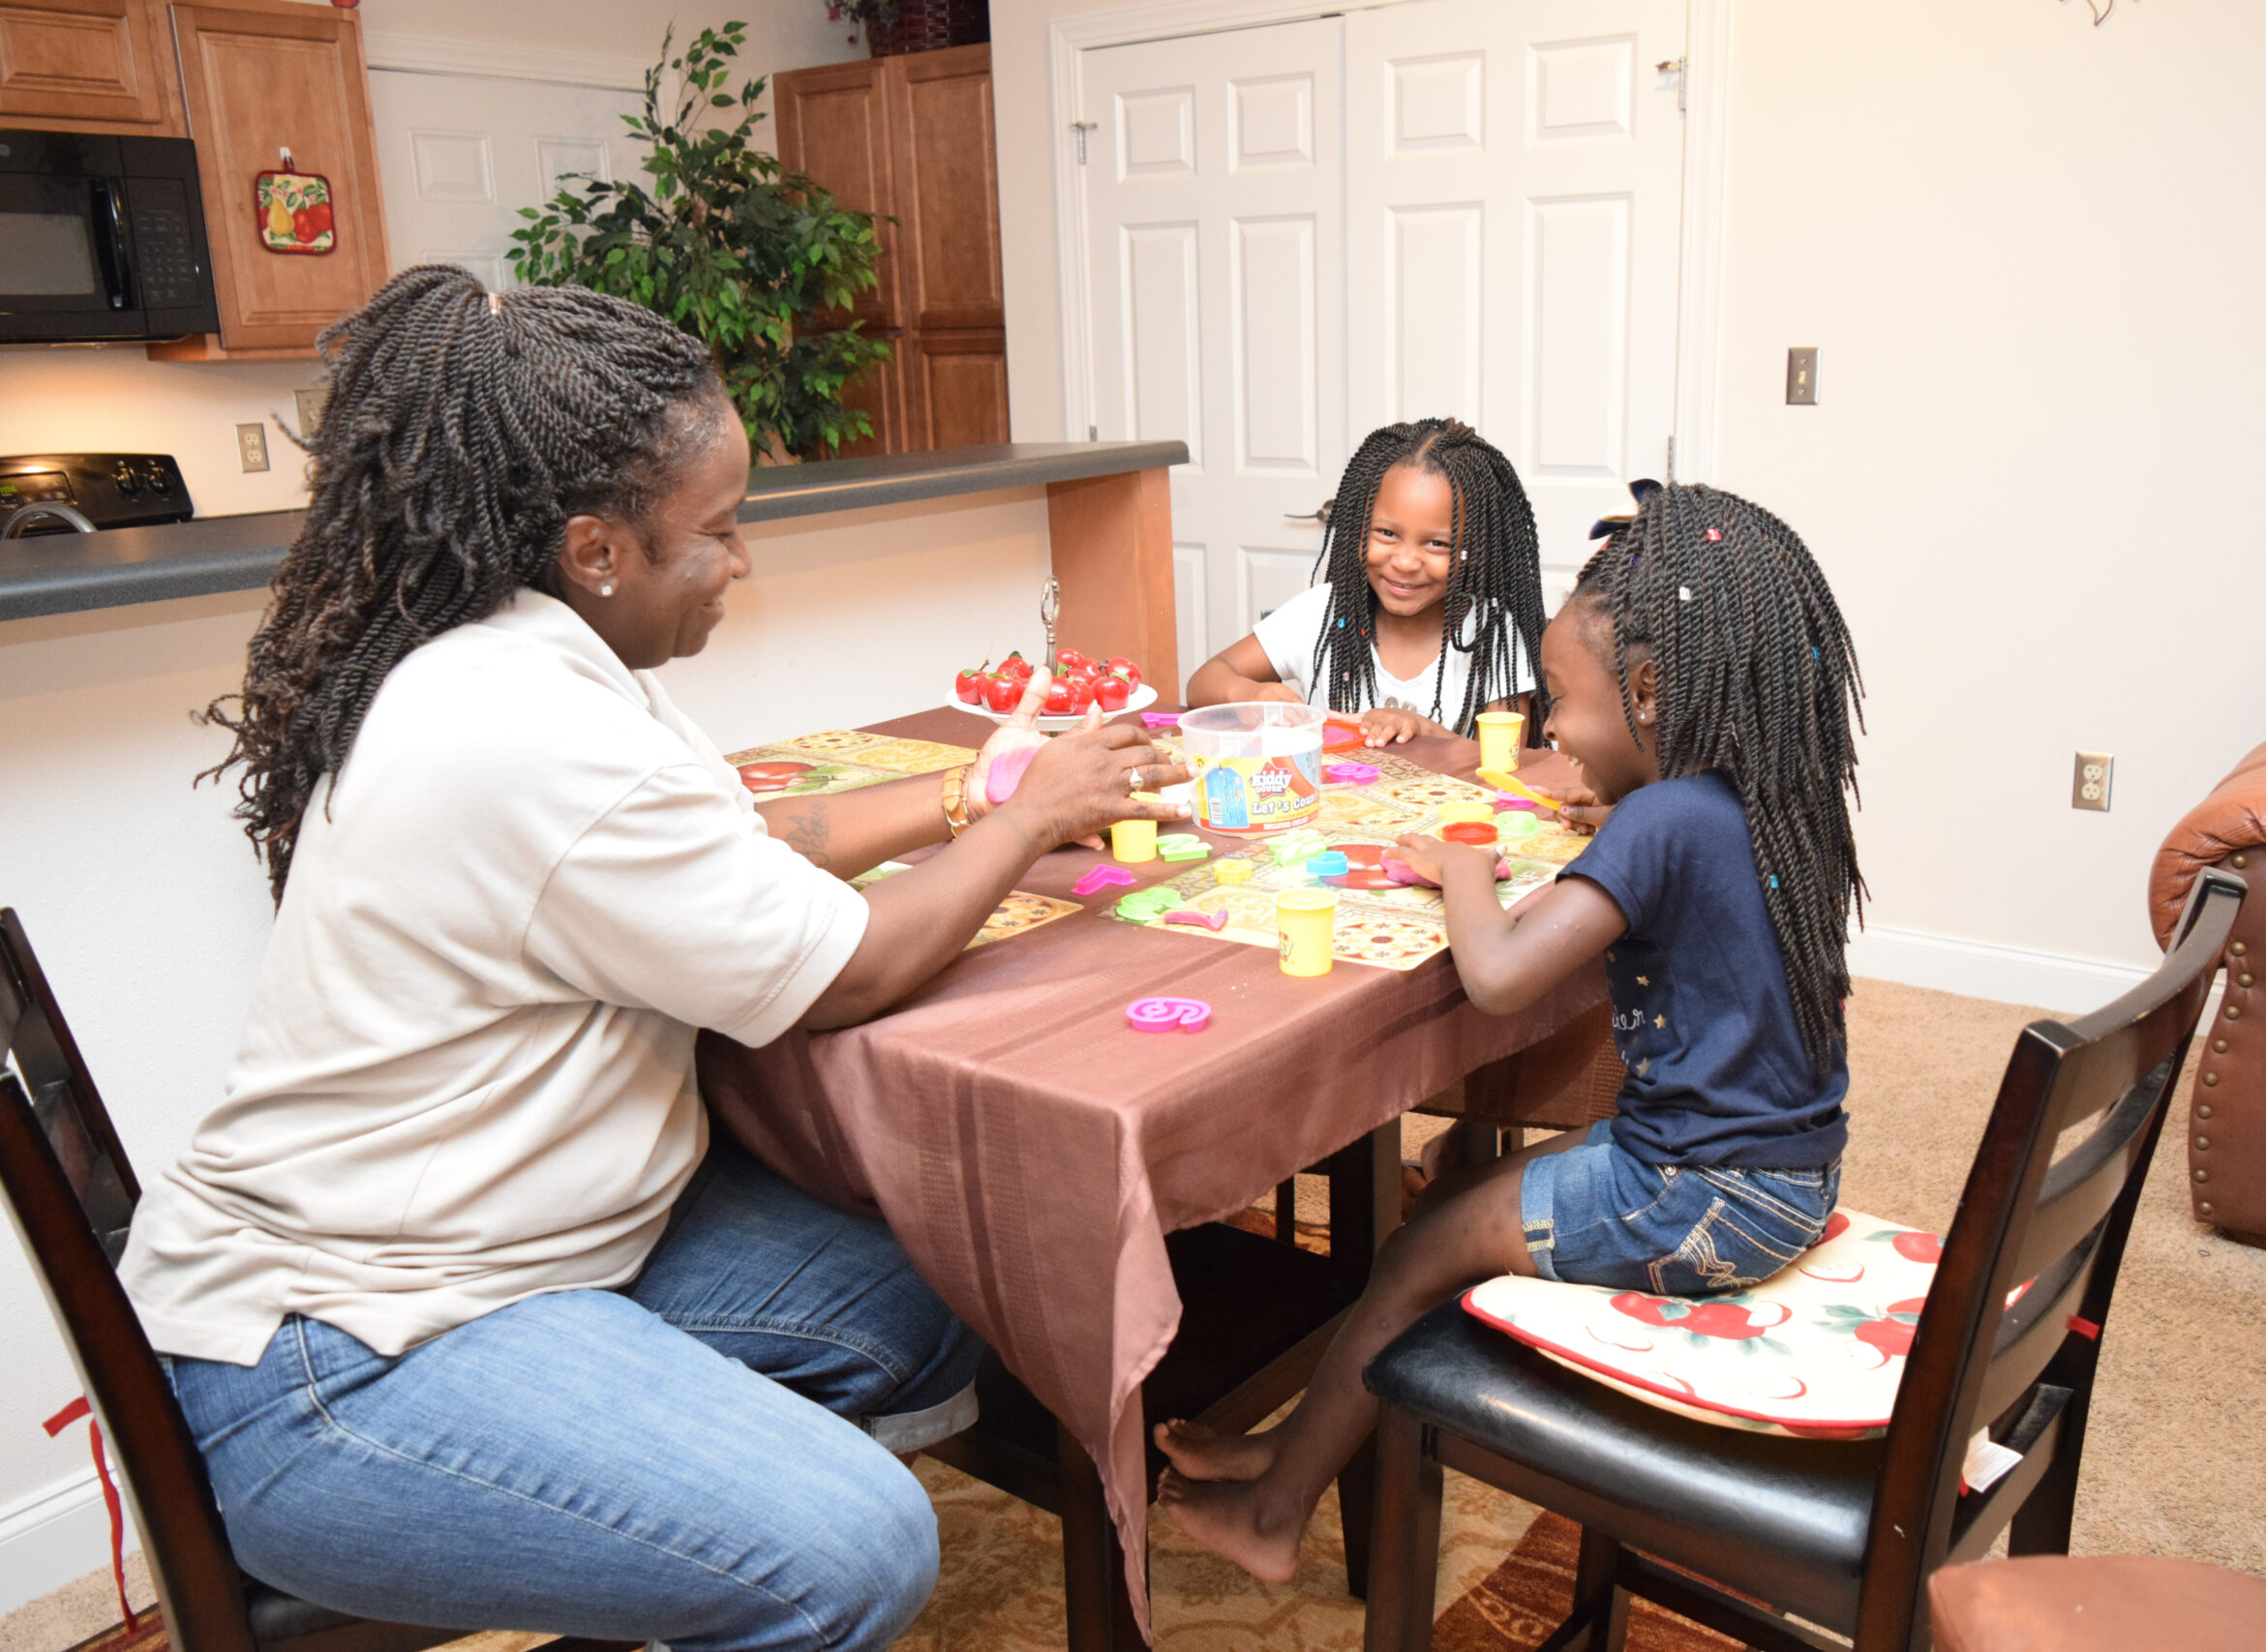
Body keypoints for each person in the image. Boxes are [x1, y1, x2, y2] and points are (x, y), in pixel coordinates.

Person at [117, 266, 1187, 1652]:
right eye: (720, 531)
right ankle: (732, 1553)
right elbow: (850, 970)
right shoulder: (533, 731)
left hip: (506, 1254)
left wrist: (978, 793)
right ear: (595, 547)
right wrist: (1036, 814)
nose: (741, 562)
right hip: (345, 1358)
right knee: (857, 1546)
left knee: (940, 1276)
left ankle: (668, 1541)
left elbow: (757, 833)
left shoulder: (539, 656)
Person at [1152, 482, 1866, 1584]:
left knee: (1413, 1256)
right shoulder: (1757, 793)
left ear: (1644, 691)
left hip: (1695, 1190)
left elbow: (1495, 977)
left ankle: (1272, 1517)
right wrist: (1618, 823)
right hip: (1775, 1173)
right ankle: (1285, 1451)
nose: (1555, 736)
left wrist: (1464, 866)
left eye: (1564, 710)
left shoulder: (1662, 822)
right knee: (1448, 1208)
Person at [1184, 418, 1547, 746]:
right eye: (1387, 533)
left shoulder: (1491, 633)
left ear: (1474, 548)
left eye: (1436, 543)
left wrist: (1425, 731)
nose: (1405, 562)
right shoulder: (1322, 612)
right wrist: (1251, 694)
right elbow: (1203, 681)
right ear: (1358, 529)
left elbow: (1507, 759)